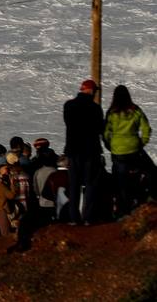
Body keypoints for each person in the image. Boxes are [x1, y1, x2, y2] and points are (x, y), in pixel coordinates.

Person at [104, 84, 155, 216]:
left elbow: (105, 133)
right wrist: (141, 144)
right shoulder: (135, 110)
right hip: (134, 151)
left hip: (117, 152)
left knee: (120, 180)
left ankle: (122, 210)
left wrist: (110, 146)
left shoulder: (111, 112)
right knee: (150, 170)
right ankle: (145, 198)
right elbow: (146, 129)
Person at [63, 79, 105, 224]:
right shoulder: (95, 108)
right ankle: (88, 217)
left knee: (74, 184)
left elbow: (68, 123)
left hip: (73, 151)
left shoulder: (69, 106)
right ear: (92, 91)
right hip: (90, 151)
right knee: (90, 184)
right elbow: (100, 129)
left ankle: (74, 218)